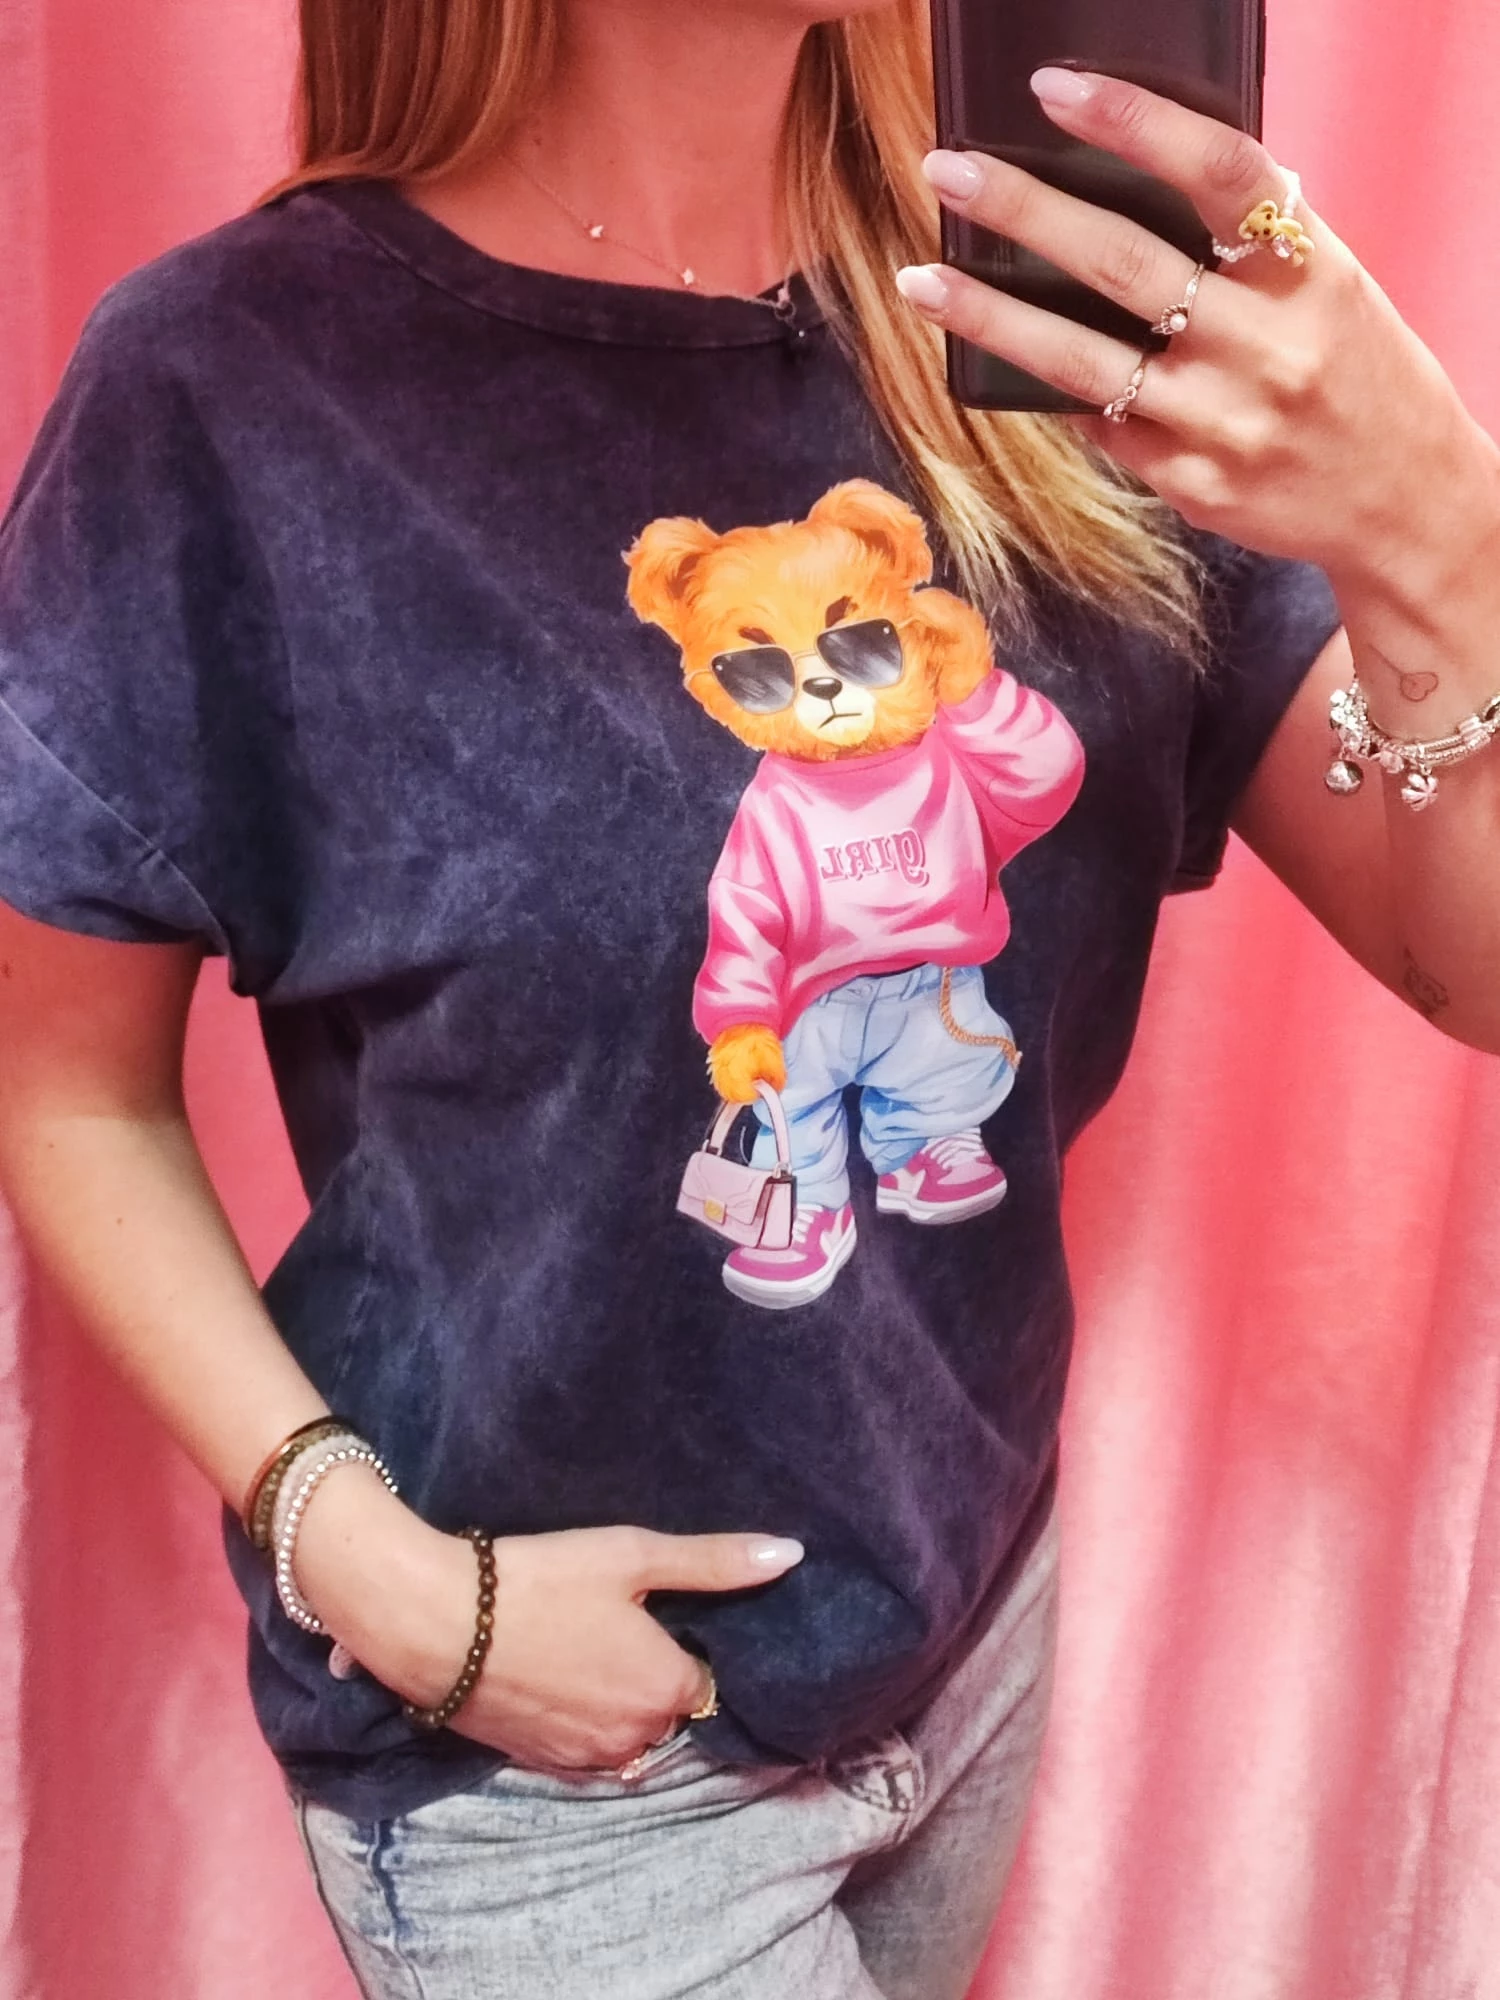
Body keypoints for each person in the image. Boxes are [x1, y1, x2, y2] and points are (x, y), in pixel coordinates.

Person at [1, 1, 1497, 1994]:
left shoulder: (1056, 308)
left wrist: (1443, 529)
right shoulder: (228, 384)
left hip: (962, 1631)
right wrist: (368, 1564)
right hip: (551, 1762)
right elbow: (63, 1084)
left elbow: (1466, 960)